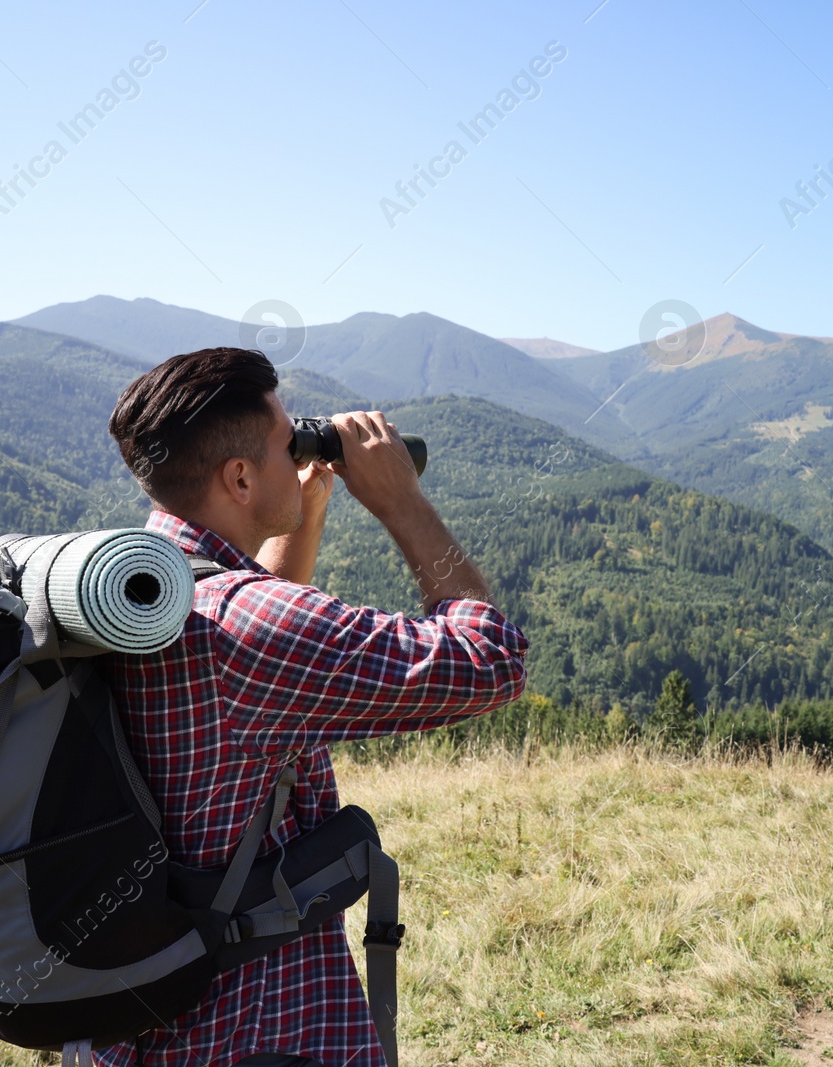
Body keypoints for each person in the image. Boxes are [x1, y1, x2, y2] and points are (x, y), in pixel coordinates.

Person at [95, 347, 529, 1066]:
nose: (294, 443)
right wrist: (401, 500)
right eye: (280, 440)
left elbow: (251, 666)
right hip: (260, 1030)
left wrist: (304, 509)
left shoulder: (134, 585)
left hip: (149, 1012)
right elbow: (491, 661)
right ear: (238, 476)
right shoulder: (247, 631)